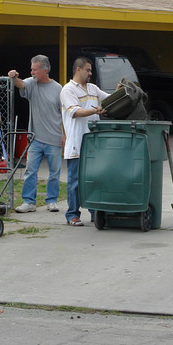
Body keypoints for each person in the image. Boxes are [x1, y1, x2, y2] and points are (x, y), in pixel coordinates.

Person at [8, 55, 64, 213]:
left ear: (45, 70)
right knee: (30, 171)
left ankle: (52, 201)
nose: (32, 72)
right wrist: (14, 76)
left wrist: (64, 135)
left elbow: (64, 113)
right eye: (31, 69)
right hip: (35, 139)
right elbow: (20, 84)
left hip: (54, 138)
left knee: (54, 173)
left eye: (35, 69)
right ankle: (29, 202)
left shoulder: (58, 88)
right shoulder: (31, 83)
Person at [59, 56, 108, 226]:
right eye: (87, 69)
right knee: (75, 182)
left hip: (94, 144)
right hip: (76, 144)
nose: (90, 73)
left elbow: (107, 99)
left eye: (91, 70)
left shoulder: (93, 88)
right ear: (78, 69)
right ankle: (72, 214)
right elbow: (75, 112)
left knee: (95, 179)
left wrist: (119, 92)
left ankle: (95, 213)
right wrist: (95, 110)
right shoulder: (68, 90)